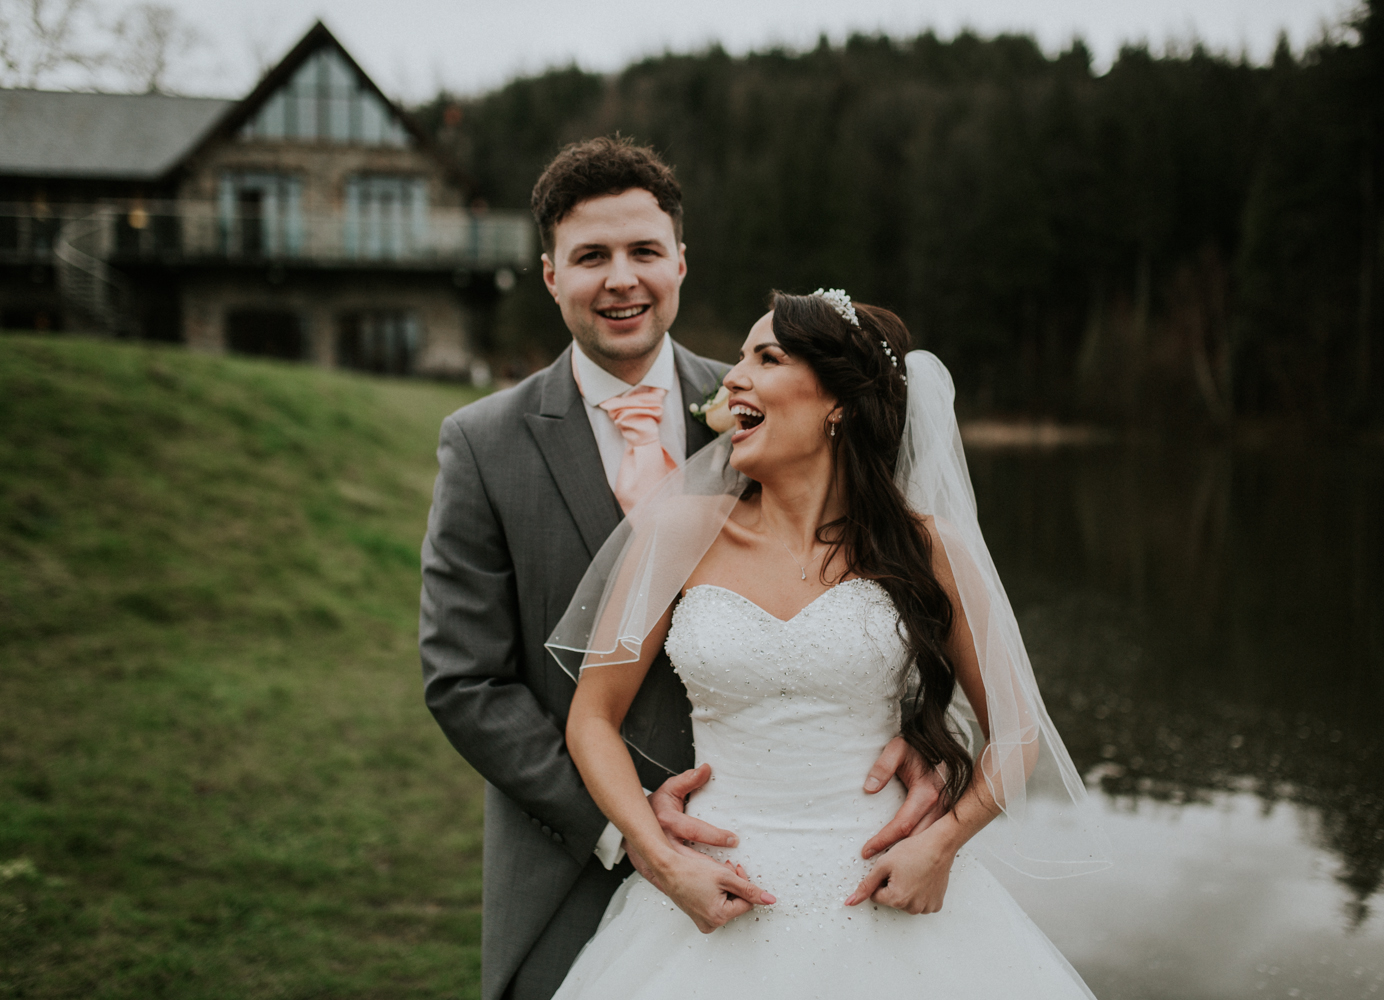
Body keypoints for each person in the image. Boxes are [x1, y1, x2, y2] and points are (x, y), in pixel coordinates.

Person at [420, 139, 947, 1000]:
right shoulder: (482, 445)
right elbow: (464, 681)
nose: (621, 278)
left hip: (809, 849)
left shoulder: (774, 399)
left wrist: (923, 732)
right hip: (573, 859)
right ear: (550, 275)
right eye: (591, 256)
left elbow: (902, 592)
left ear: (680, 264)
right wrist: (632, 835)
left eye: (644, 252)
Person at [545, 290, 1110, 998]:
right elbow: (591, 718)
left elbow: (1018, 730)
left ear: (838, 402)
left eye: (767, 358)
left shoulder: (928, 547)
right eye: (740, 358)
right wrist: (661, 858)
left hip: (882, 882)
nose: (734, 380)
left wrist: (940, 845)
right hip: (716, 886)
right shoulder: (681, 532)